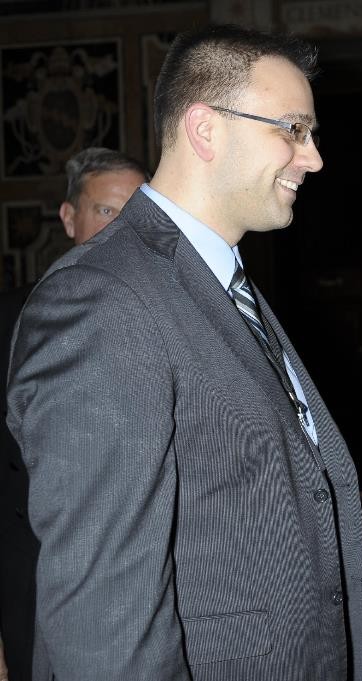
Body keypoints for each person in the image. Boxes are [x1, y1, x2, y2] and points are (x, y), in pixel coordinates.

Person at [6, 25, 362, 681]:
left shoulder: (220, 282)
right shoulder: (103, 300)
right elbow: (103, 629)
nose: (313, 157)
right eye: (292, 129)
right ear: (206, 130)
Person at [0, 146, 147, 681]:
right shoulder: (11, 322)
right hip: (27, 585)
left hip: (136, 592)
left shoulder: (169, 321)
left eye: (135, 213)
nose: (121, 230)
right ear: (69, 218)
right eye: (106, 211)